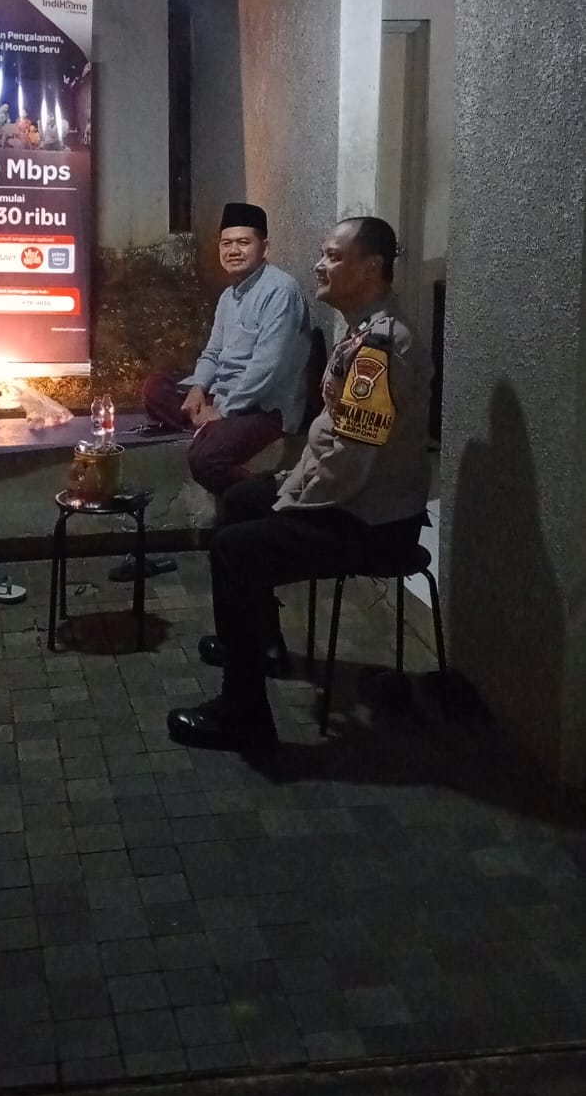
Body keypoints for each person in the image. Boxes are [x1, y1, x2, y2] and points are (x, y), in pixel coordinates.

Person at [167, 216, 432, 751]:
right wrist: (286, 486)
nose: (319, 265)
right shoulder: (361, 331)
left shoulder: (378, 351)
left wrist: (289, 501)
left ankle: (244, 715)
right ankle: (259, 643)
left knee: (235, 550)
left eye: (334, 256)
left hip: (370, 521)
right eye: (322, 253)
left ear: (371, 267)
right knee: (242, 498)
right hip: (348, 501)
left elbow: (350, 464)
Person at [142, 203, 311, 496]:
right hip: (225, 394)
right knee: (155, 388)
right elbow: (212, 352)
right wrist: (198, 388)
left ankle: (268, 499)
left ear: (264, 248)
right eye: (226, 243)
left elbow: (266, 369)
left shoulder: (280, 291)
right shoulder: (228, 297)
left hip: (264, 408)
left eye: (243, 243)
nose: (233, 251)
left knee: (205, 459)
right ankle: (205, 427)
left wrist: (223, 411)